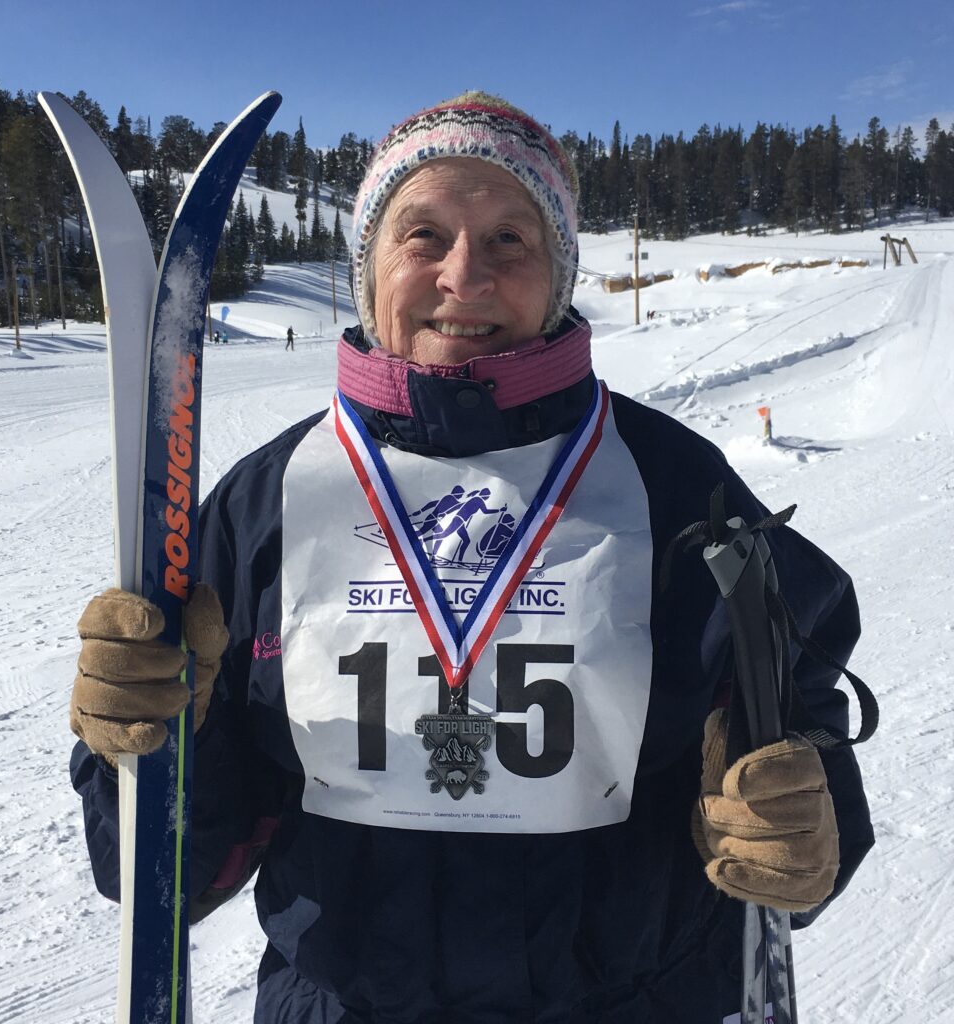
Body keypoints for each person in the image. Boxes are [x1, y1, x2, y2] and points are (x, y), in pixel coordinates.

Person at [69, 93, 874, 1023]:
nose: (465, 276)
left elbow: (796, 734)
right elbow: (157, 872)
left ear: (558, 271)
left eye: (508, 241)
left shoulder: (676, 486)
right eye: (423, 236)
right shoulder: (267, 503)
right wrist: (150, 740)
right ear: (368, 270)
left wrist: (805, 833)